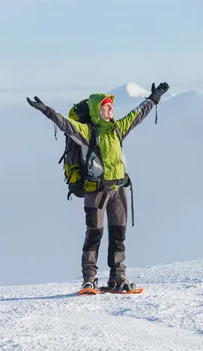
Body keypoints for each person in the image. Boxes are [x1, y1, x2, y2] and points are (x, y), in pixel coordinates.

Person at [26, 82, 170, 292]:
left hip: (119, 190)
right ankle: (89, 279)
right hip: (96, 191)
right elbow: (66, 124)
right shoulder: (87, 132)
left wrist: (154, 98)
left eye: (111, 105)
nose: (110, 108)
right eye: (105, 106)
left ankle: (118, 277)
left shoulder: (117, 128)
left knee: (118, 235)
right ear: (96, 110)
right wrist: (47, 111)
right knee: (94, 234)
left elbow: (137, 114)